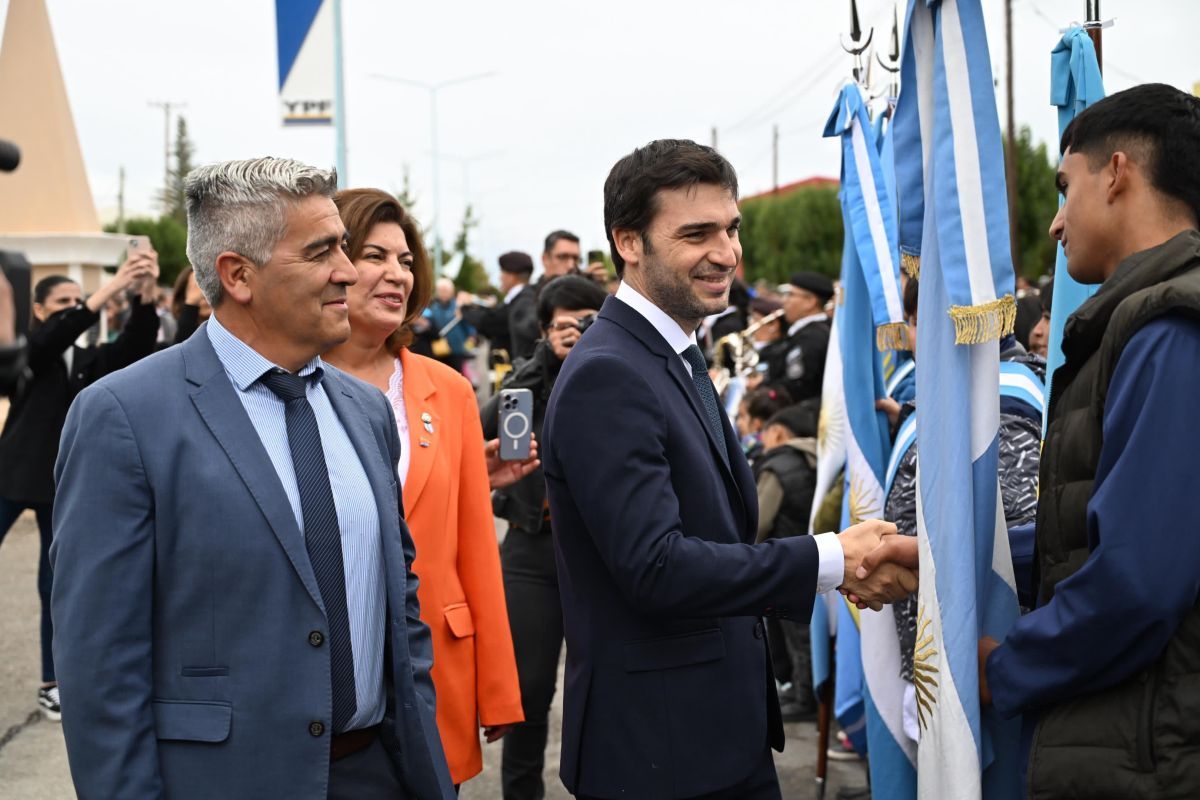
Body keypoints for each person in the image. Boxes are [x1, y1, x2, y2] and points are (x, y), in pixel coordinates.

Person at [51, 158, 456, 799]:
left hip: (380, 775)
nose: (348, 272)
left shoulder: (365, 411)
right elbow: (101, 667)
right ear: (238, 275)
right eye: (322, 251)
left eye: (344, 249)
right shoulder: (124, 416)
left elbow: (399, 607)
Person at [541, 139, 915, 799]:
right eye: (696, 233)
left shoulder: (671, 351)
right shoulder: (609, 372)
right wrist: (830, 559)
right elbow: (656, 568)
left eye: (731, 227)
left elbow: (717, 543)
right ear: (629, 242)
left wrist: (831, 572)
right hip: (660, 754)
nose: (726, 252)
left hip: (711, 733)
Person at [974, 83, 1200, 796]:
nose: (1055, 221)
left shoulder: (1169, 331)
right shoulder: (1148, 322)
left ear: (1119, 172)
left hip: (1151, 750)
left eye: (1066, 188)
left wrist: (1007, 663)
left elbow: (1138, 578)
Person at [323, 187, 524, 788]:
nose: (396, 275)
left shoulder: (447, 389)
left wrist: (499, 687)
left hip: (436, 668)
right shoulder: (288, 383)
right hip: (330, 677)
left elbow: (475, 546)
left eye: (406, 261)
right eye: (374, 256)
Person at [0, 253, 159, 721]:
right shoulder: (31, 345)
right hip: (10, 474)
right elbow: (57, 337)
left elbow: (135, 347)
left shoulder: (92, 358)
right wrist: (108, 290)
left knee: (56, 585)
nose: (75, 306)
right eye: (63, 301)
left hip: (58, 483)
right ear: (41, 309)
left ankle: (53, 682)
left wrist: (144, 293)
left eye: (78, 298)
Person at [480, 274, 608, 800]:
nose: (576, 331)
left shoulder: (615, 373)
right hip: (533, 549)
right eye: (565, 324)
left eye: (588, 320)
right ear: (544, 329)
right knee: (529, 692)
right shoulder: (527, 383)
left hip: (602, 554)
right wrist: (540, 363)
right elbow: (488, 431)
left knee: (606, 688)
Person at [753, 401, 821, 722]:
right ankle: (804, 690)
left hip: (785, 558)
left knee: (794, 632)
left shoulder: (777, 465)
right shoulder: (815, 458)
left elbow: (760, 521)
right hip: (816, 552)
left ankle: (802, 695)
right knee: (806, 630)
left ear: (778, 431)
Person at [762, 271, 833, 403]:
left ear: (810, 302)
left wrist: (764, 391)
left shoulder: (813, 337)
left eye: (790, 295)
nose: (784, 300)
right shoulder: (808, 331)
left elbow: (796, 387)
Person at [460, 251, 536, 363]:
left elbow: (491, 322)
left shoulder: (523, 301)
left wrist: (464, 308)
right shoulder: (525, 298)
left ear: (511, 277)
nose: (500, 278)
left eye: (502, 273)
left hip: (514, 370)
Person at [420, 277, 473, 374]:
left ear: (451, 291)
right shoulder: (432, 307)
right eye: (441, 290)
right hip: (439, 350)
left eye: (446, 290)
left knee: (457, 376)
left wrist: (471, 336)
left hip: (456, 350)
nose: (443, 293)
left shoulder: (459, 306)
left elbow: (468, 324)